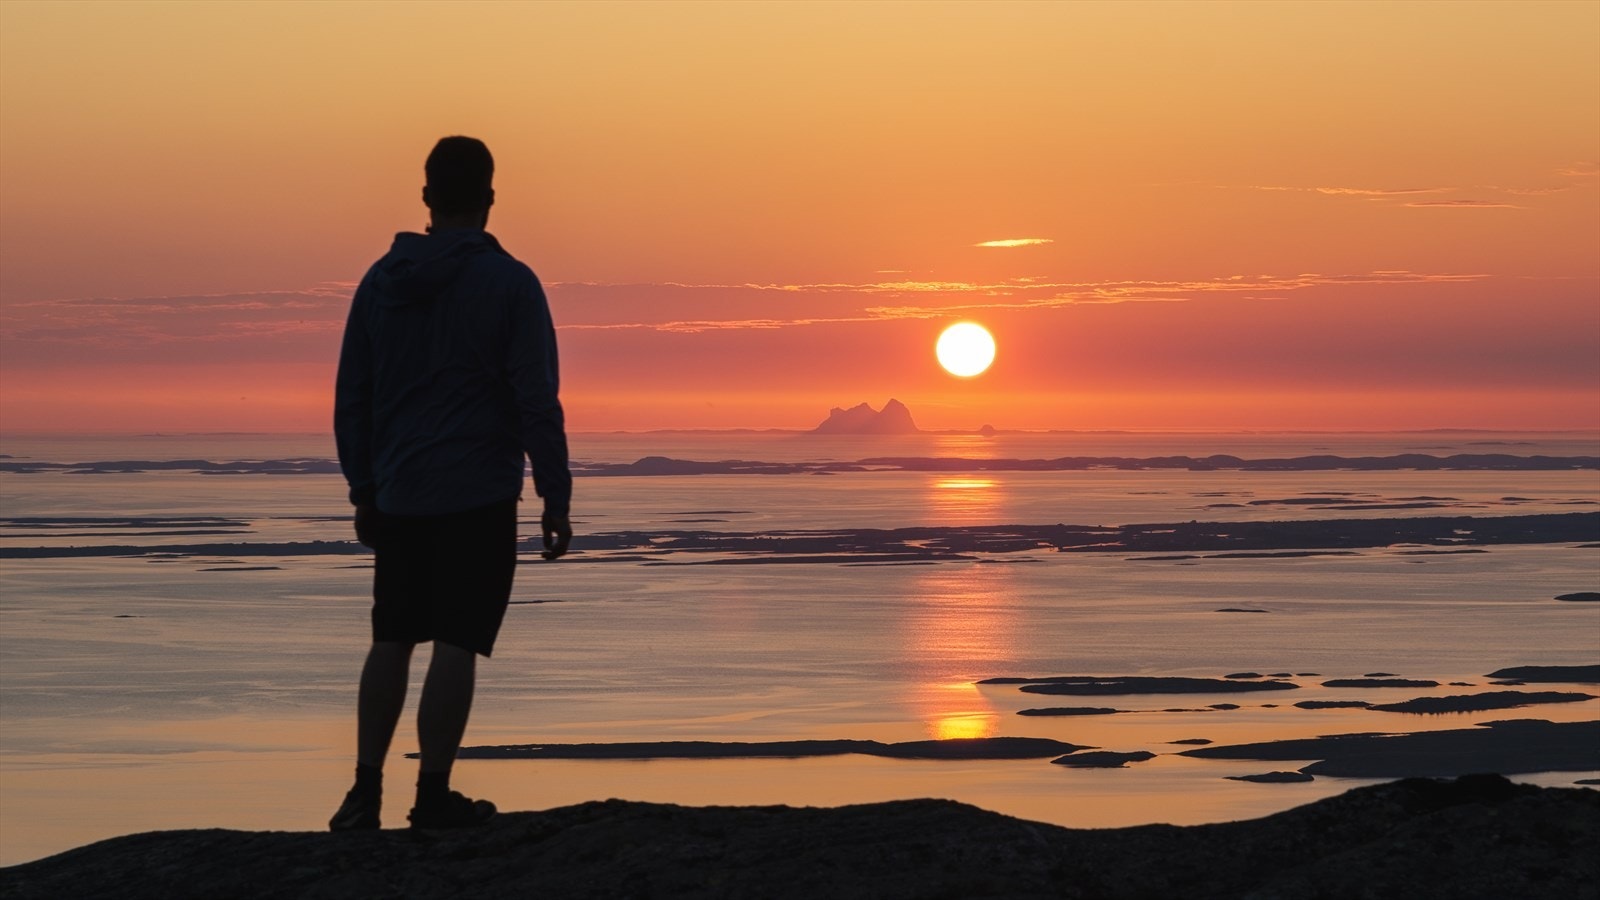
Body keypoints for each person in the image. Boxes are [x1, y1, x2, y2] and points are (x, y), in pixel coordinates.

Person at [328, 136, 572, 831]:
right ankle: (432, 795)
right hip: (479, 494)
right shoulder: (512, 285)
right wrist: (555, 493)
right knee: (458, 641)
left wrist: (364, 488)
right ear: (490, 199)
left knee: (392, 636)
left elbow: (354, 395)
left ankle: (363, 792)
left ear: (428, 197)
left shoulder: (381, 281)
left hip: (401, 491)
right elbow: (535, 398)